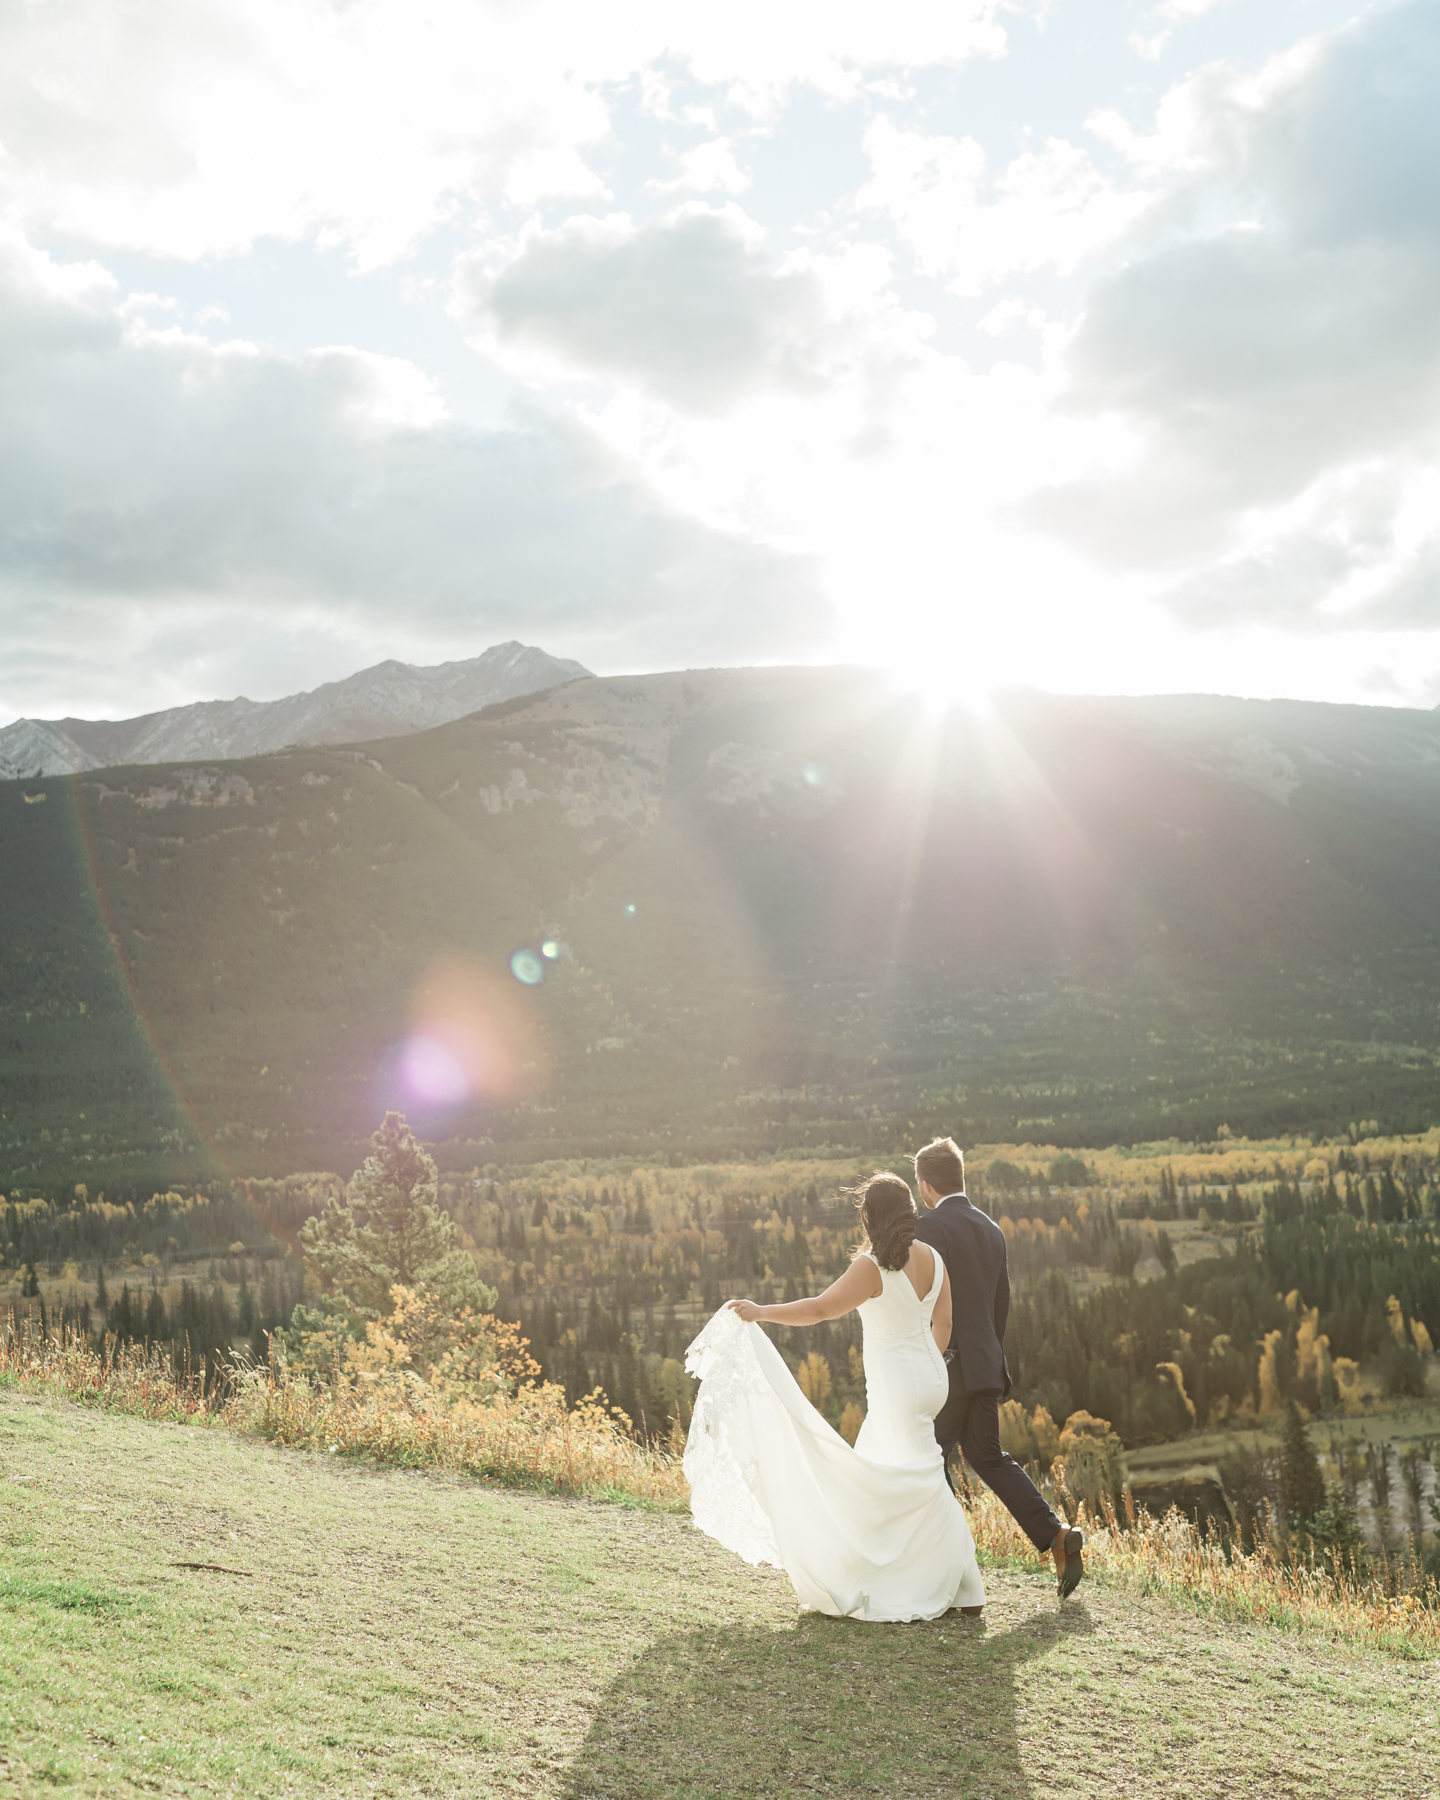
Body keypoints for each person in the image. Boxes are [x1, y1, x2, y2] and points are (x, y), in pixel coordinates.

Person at [683, 1172, 985, 1622]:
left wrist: (762, 1311)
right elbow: (944, 1322)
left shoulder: (872, 1266)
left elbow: (822, 1308)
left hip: (897, 1386)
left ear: (870, 1217)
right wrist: (926, 1364)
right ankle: (943, 1578)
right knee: (910, 1470)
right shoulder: (934, 1260)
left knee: (909, 1479)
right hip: (931, 1378)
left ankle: (937, 1581)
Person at [912, 1135, 1084, 1599]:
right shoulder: (992, 1228)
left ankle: (950, 1558)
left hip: (948, 1365)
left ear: (926, 1186)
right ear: (959, 1178)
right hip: (985, 1364)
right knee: (988, 1457)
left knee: (926, 1454)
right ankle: (1056, 1534)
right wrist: (987, 1356)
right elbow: (1000, 1305)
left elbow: (924, 1300)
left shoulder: (930, 1228)